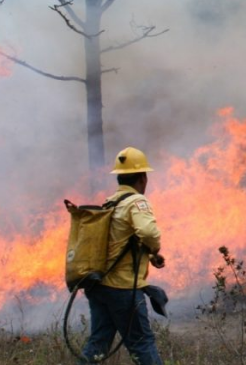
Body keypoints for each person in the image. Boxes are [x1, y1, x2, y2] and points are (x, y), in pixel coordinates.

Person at [81, 146, 166, 365]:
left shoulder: (110, 203)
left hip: (99, 286)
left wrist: (148, 254)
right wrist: (155, 249)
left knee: (98, 342)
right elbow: (148, 232)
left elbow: (120, 242)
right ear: (143, 178)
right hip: (123, 288)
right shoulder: (137, 201)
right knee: (142, 343)